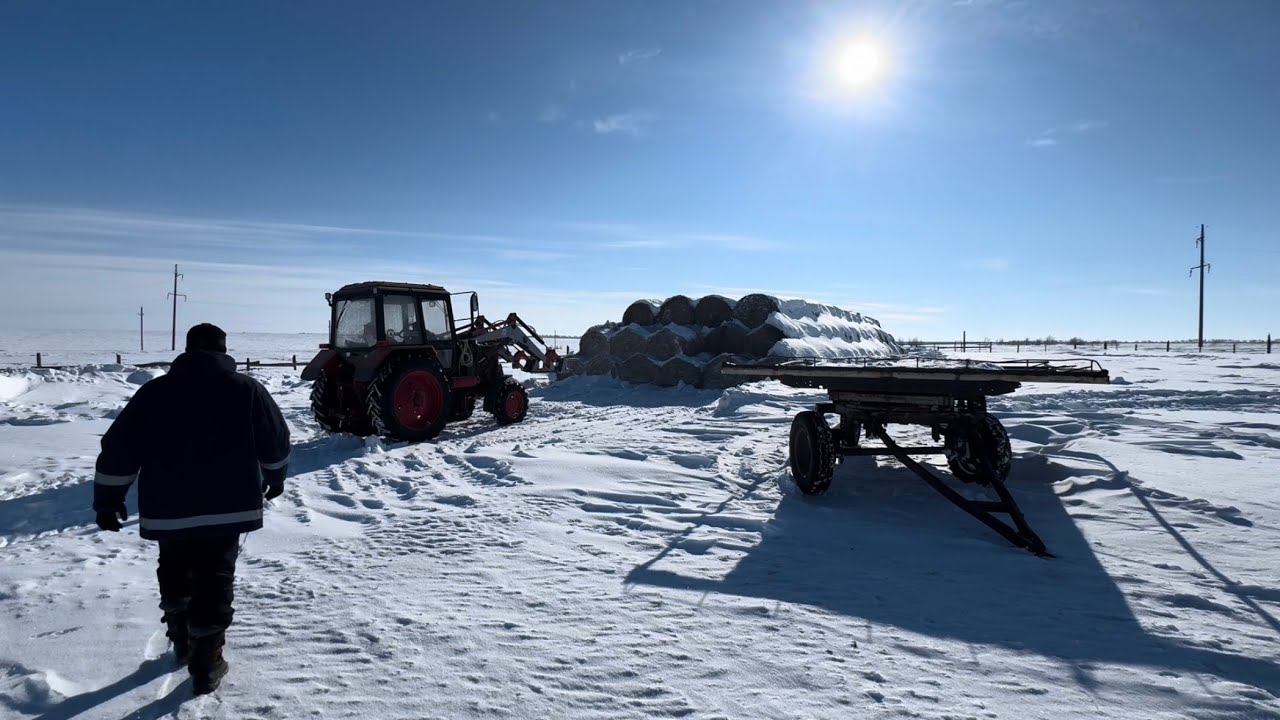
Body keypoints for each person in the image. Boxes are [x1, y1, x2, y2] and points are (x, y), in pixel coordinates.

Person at [93, 323, 291, 695]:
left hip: (169, 509)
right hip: (227, 509)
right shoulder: (247, 390)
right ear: (223, 350)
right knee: (215, 576)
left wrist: (108, 499)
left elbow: (119, 448)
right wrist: (275, 475)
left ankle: (183, 640)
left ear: (186, 351)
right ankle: (207, 663)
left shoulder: (154, 392)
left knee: (173, 566)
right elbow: (275, 439)